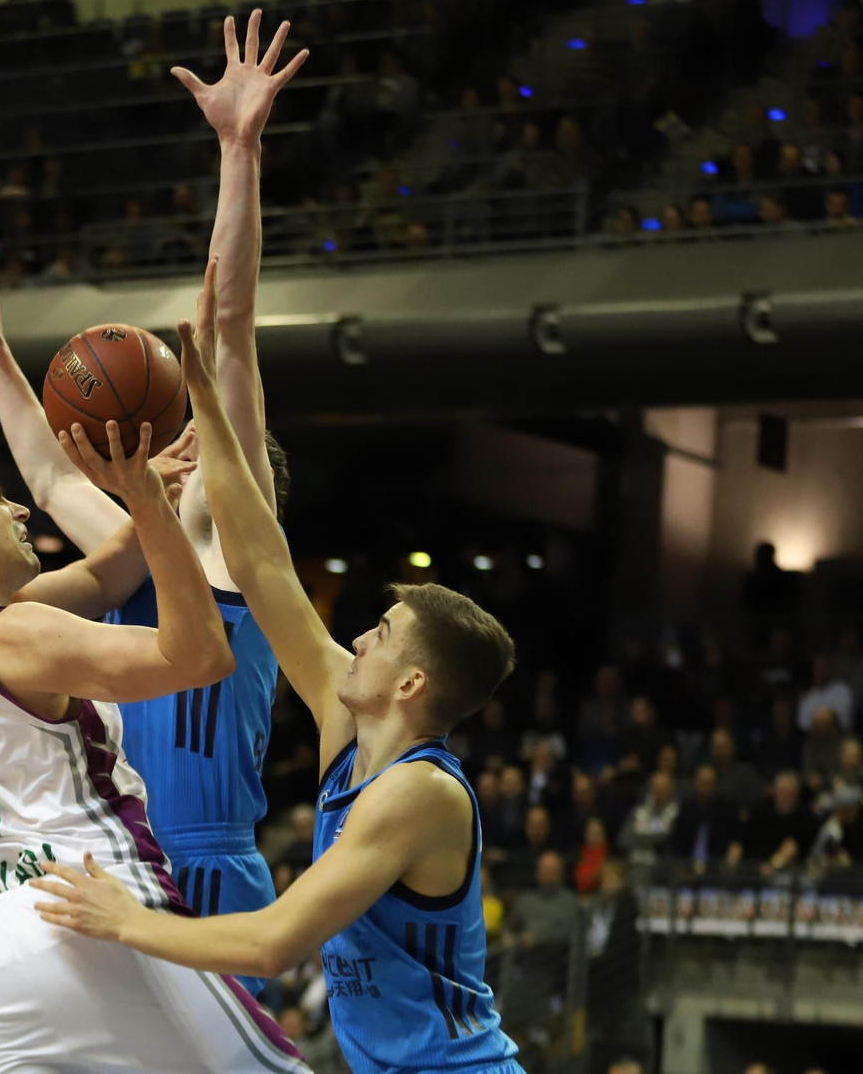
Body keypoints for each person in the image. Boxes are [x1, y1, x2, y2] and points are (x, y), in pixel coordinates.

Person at [29, 249, 522, 1072]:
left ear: (411, 682)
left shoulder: (421, 792)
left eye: (382, 633)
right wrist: (212, 397)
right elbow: (260, 560)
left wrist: (125, 920)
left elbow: (271, 942)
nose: (357, 638)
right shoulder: (347, 727)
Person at [0, 10, 306, 999]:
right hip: (114, 860)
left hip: (209, 866)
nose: (186, 448)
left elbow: (230, 323)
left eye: (207, 446)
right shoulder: (132, 543)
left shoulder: (237, 554)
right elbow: (48, 472)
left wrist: (239, 152)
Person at [0, 295, 297, 1067]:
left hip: (1, 930)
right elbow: (195, 653)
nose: (17, 508)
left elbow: (98, 563)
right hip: (105, 890)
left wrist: (147, 489)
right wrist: (146, 497)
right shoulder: (25, 630)